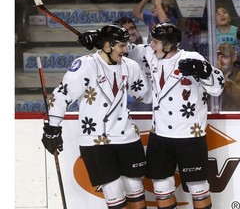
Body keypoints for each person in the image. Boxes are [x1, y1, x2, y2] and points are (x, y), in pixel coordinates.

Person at [78, 22, 225, 209]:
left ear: (168, 44)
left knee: (198, 186)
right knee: (161, 186)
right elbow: (124, 48)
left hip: (189, 136)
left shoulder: (192, 58)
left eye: (155, 41)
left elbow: (218, 88)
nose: (150, 44)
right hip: (160, 135)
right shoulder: (150, 52)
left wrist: (206, 72)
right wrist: (98, 38)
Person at [42, 24, 152, 209]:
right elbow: (62, 94)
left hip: (126, 136)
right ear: (107, 45)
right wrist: (53, 128)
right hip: (95, 140)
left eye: (126, 45)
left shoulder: (130, 66)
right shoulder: (86, 65)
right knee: (113, 189)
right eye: (121, 46)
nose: (125, 50)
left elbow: (146, 95)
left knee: (135, 186)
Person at [114, 17, 153, 111]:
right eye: (126, 30)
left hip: (152, 98)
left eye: (132, 28)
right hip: (129, 102)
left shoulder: (150, 46)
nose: (131, 32)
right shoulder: (116, 53)